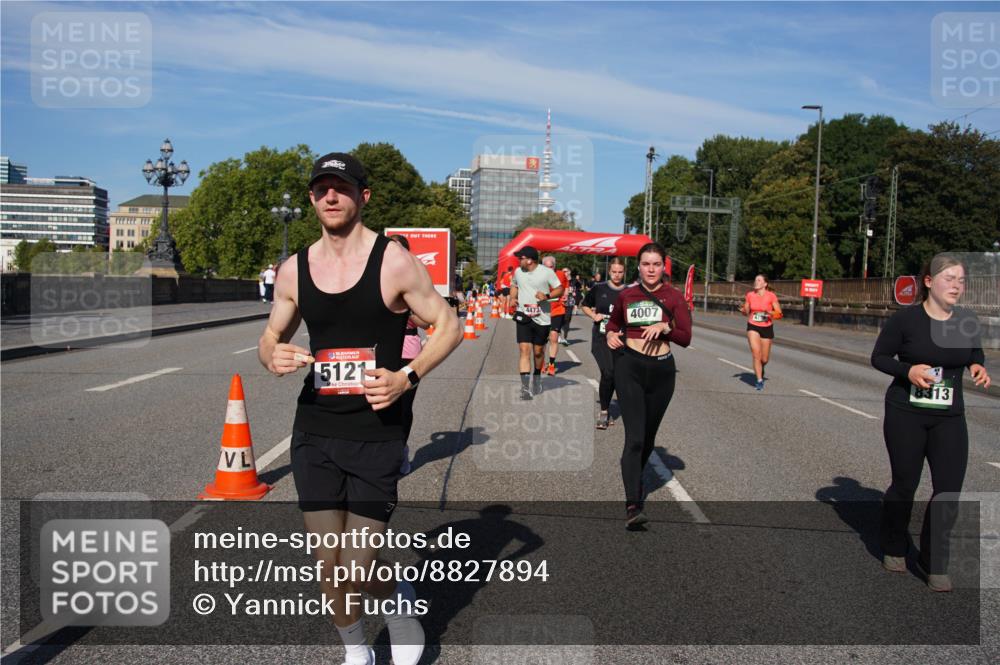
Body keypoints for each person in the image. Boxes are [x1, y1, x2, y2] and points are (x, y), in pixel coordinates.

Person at [258, 152, 461, 665]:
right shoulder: (294, 269)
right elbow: (269, 337)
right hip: (315, 431)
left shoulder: (393, 261)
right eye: (321, 188)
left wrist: (406, 377)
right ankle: (356, 652)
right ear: (312, 198)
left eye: (341, 187)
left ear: (363, 196)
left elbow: (449, 325)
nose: (330, 196)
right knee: (329, 562)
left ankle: (396, 601)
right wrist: (271, 354)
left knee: (356, 562)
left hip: (377, 433)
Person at [870, 253, 990, 592]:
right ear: (928, 281)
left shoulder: (965, 320)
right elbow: (879, 357)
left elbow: (974, 352)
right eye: (949, 278)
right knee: (904, 484)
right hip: (906, 413)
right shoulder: (906, 320)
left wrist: (977, 365)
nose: (956, 285)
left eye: (961, 280)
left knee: (948, 490)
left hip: (949, 417)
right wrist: (907, 370)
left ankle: (934, 561)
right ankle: (894, 545)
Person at [605, 243, 691, 530]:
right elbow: (613, 324)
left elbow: (686, 337)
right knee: (635, 438)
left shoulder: (674, 297)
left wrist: (666, 328)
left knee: (648, 439)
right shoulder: (627, 295)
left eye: (656, 264)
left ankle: (636, 480)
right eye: (646, 264)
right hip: (630, 367)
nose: (651, 269)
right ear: (639, 266)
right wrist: (610, 335)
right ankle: (633, 504)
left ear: (663, 267)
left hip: (662, 372)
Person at [388, 234, 425, 476]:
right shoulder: (374, 278)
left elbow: (427, 320)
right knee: (378, 404)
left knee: (403, 406)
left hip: (407, 351)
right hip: (379, 350)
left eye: (397, 249)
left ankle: (400, 450)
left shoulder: (415, 281)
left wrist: (407, 311)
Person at [510, 246, 563, 399]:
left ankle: (537, 376)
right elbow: (514, 285)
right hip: (523, 314)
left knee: (538, 352)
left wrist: (547, 296)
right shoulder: (518, 272)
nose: (518, 261)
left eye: (521, 258)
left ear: (530, 260)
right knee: (524, 350)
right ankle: (525, 388)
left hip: (542, 317)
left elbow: (559, 289)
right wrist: (513, 298)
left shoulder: (546, 272)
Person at [581, 258, 627, 429]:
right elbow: (584, 305)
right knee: (608, 372)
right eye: (614, 272)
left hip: (621, 339)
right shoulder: (599, 288)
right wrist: (594, 316)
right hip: (601, 338)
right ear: (609, 271)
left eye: (620, 272)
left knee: (616, 375)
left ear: (624, 272)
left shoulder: (629, 291)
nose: (617, 275)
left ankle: (608, 407)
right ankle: (604, 412)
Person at [739, 274, 782, 390]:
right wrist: (743, 310)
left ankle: (761, 368)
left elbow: (779, 313)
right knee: (756, 354)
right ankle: (759, 380)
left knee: (764, 359)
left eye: (759, 280)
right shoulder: (750, 295)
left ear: (765, 284)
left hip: (767, 327)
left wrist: (770, 312)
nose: (756, 282)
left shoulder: (771, 296)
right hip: (753, 326)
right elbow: (746, 311)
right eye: (755, 280)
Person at [541, 255, 570, 375]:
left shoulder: (561, 274)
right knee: (542, 340)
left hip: (558, 309)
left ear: (555, 266)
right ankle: (542, 363)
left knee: (553, 337)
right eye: (547, 267)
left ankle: (551, 365)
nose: (550, 269)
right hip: (543, 310)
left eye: (552, 267)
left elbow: (566, 286)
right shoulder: (538, 276)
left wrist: (566, 295)